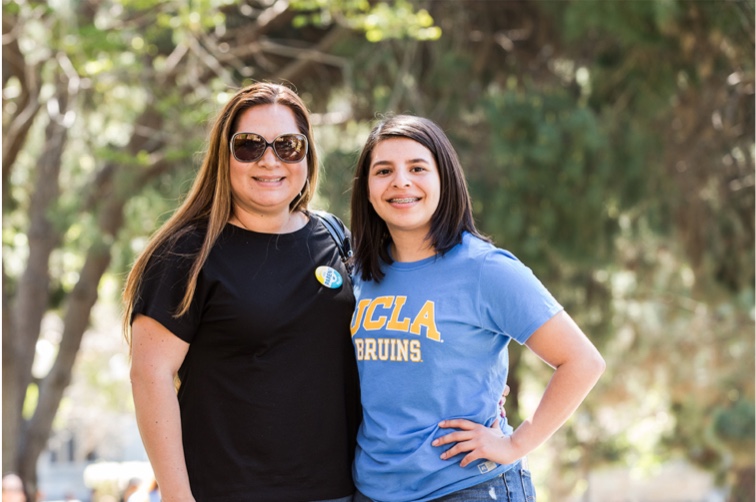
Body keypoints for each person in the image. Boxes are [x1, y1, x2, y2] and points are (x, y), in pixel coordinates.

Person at [348, 115, 606, 501]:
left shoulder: (485, 269)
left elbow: (582, 360)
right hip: (374, 488)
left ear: (444, 181)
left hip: (467, 486)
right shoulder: (362, 272)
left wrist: (516, 444)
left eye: (417, 168)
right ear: (367, 189)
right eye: (383, 170)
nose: (400, 180)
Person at [122, 82, 360, 501]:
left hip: (340, 491)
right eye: (249, 146)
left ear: (307, 155)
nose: (270, 160)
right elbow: (150, 377)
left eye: (288, 145)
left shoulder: (334, 238)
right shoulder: (185, 253)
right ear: (223, 156)